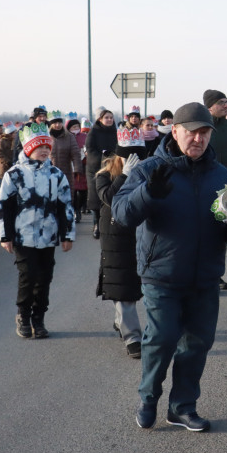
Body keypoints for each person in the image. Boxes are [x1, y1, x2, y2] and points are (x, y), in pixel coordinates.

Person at [112, 102, 227, 434]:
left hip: (205, 275)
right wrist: (147, 194)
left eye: (205, 132)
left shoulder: (221, 175)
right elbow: (121, 213)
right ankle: (148, 399)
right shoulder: (151, 169)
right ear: (175, 131)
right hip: (161, 274)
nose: (198, 139)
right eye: (191, 131)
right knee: (162, 338)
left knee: (197, 343)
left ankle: (182, 407)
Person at [0, 120, 75, 339]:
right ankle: (23, 314)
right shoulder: (14, 174)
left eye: (46, 147)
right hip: (23, 236)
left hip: (48, 236)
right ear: (29, 149)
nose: (43, 151)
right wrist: (5, 236)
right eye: (39, 147)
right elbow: (4, 207)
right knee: (27, 276)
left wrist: (67, 234)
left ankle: (38, 318)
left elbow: (65, 206)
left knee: (44, 278)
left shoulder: (56, 175)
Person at [96, 128, 145, 359]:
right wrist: (125, 175)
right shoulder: (104, 175)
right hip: (115, 233)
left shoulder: (146, 170)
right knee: (122, 285)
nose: (134, 160)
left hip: (140, 231)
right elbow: (108, 198)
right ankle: (133, 336)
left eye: (138, 156)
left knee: (138, 284)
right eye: (129, 156)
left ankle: (121, 321)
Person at [84, 108, 118, 239]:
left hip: (113, 169)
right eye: (106, 118)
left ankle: (109, 224)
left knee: (110, 196)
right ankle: (96, 224)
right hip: (96, 169)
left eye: (111, 117)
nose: (109, 120)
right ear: (100, 119)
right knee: (96, 198)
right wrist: (105, 159)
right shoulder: (93, 132)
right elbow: (90, 150)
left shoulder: (115, 132)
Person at [48, 112, 81, 189]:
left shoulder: (69, 136)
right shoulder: (47, 136)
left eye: (59, 122)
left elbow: (75, 153)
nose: (57, 125)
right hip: (49, 172)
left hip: (66, 171)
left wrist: (77, 169)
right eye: (55, 122)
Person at [68, 119, 89, 222]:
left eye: (77, 127)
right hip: (70, 166)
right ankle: (76, 210)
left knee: (83, 190)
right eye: (73, 127)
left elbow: (87, 147)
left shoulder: (84, 137)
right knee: (74, 190)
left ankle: (81, 206)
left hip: (83, 165)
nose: (75, 129)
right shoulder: (67, 138)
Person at [0, 123, 18, 201]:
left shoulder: (15, 141)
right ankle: (1, 200)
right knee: (3, 185)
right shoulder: (2, 141)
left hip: (13, 165)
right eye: (14, 132)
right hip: (4, 166)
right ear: (10, 133)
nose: (16, 134)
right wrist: (7, 161)